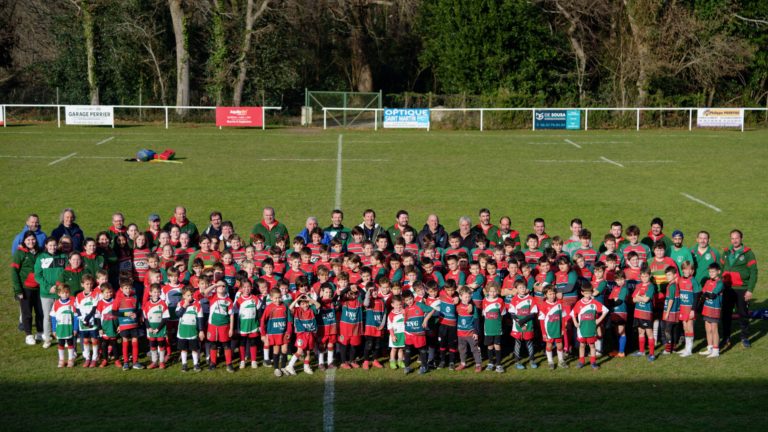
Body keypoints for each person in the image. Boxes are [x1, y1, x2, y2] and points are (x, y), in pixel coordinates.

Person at [720, 229, 758, 349]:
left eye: (736, 238)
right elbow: (721, 268)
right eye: (732, 238)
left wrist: (750, 289)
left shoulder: (748, 253)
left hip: (742, 289)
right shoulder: (726, 252)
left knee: (743, 314)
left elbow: (754, 272)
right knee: (725, 314)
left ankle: (744, 337)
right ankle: (726, 338)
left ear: (741, 239)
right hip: (727, 288)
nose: (734, 240)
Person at [35, 237, 67, 347]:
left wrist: (58, 286)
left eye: (54, 245)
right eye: (50, 245)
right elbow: (38, 276)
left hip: (60, 292)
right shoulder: (41, 258)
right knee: (47, 316)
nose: (53, 247)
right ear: (46, 246)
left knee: (61, 315)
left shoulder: (63, 256)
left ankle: (62, 336)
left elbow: (66, 272)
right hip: (46, 293)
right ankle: (47, 339)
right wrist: (48, 287)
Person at [11, 231, 42, 345]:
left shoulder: (40, 252)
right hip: (25, 288)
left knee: (40, 311)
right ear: (24, 241)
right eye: (28, 240)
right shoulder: (19, 253)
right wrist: (18, 290)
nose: (31, 242)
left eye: (33, 239)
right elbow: (14, 272)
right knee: (27, 312)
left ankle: (40, 332)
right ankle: (28, 334)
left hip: (39, 288)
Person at [571, 283, 608, 369]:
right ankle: (581, 361)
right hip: (581, 329)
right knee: (582, 345)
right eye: (586, 293)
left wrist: (598, 320)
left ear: (592, 292)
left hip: (591, 328)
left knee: (592, 345)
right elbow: (573, 313)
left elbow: (605, 310)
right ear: (582, 293)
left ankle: (593, 362)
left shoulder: (594, 302)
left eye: (589, 293)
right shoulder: (579, 303)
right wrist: (575, 322)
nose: (588, 295)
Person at [260, 288, 293, 377]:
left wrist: (289, 331)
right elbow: (262, 320)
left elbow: (289, 320)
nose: (278, 300)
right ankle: (276, 368)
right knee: (276, 350)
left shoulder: (285, 306)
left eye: (279, 297)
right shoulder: (269, 307)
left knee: (285, 350)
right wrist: (263, 334)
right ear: (271, 298)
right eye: (275, 298)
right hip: (274, 333)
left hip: (284, 333)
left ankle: (283, 367)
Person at [402, 290, 435, 375]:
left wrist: (425, 320)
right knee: (407, 350)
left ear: (413, 297)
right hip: (409, 333)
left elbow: (432, 310)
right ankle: (407, 366)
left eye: (410, 299)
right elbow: (405, 321)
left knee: (422, 350)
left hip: (419, 333)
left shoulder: (419, 305)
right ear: (404, 301)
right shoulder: (405, 309)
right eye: (407, 300)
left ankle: (424, 366)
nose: (409, 301)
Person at [286, 293, 320, 375]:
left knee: (308, 352)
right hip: (301, 334)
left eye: (306, 303)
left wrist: (310, 299)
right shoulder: (297, 310)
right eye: (303, 303)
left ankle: (306, 367)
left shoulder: (311, 309)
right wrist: (297, 299)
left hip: (310, 334)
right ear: (299, 304)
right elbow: (290, 307)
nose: (305, 305)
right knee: (300, 350)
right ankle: (290, 366)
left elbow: (318, 305)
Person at [509, 280, 539, 370]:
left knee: (529, 343)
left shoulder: (531, 298)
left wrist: (523, 322)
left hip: (528, 325)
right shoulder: (514, 299)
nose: (522, 289)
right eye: (520, 288)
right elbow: (512, 314)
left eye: (524, 287)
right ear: (516, 289)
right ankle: (517, 361)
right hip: (517, 326)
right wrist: (520, 323)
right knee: (517, 343)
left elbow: (533, 313)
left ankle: (532, 360)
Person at [115, 280, 143, 370]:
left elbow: (139, 309)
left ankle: (135, 362)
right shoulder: (118, 298)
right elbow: (114, 312)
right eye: (126, 288)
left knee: (135, 342)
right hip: (124, 325)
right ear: (121, 289)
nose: (128, 290)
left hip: (134, 324)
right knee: (125, 343)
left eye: (129, 288)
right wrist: (125, 314)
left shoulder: (135, 296)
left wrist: (136, 314)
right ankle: (126, 362)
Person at [207, 280, 235, 372]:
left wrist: (231, 328)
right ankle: (213, 362)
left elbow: (231, 315)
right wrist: (215, 285)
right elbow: (205, 292)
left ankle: (229, 363)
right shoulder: (212, 296)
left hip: (225, 326)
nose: (221, 287)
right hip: (213, 325)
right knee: (213, 344)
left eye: (223, 286)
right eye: (219, 286)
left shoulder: (229, 300)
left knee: (226, 345)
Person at [538, 286, 568, 369]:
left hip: (558, 329)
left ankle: (561, 361)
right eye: (550, 294)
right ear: (545, 295)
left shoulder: (559, 304)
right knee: (549, 345)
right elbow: (541, 320)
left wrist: (563, 329)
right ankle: (550, 361)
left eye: (554, 293)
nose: (552, 296)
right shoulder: (543, 305)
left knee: (559, 345)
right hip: (549, 330)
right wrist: (544, 333)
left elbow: (563, 317)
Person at [176, 286, 205, 372]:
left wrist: (201, 331)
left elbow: (200, 318)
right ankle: (184, 364)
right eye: (188, 295)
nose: (190, 297)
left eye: (191, 295)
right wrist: (184, 306)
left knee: (194, 349)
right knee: (184, 349)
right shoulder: (180, 303)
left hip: (193, 331)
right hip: (182, 331)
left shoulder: (198, 304)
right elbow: (178, 314)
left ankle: (196, 364)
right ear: (184, 296)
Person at [75, 275, 101, 367]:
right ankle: (87, 358)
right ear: (82, 284)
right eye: (87, 284)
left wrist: (88, 318)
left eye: (91, 284)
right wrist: (82, 318)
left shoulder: (95, 294)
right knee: (85, 340)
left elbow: (94, 308)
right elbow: (77, 308)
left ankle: (94, 358)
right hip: (83, 322)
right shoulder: (78, 296)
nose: (89, 286)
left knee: (94, 339)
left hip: (92, 321)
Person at [630, 269, 656, 361]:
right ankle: (641, 351)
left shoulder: (651, 286)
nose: (644, 278)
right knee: (640, 332)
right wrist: (641, 297)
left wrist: (639, 297)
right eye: (642, 276)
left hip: (646, 313)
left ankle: (652, 353)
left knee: (649, 333)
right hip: (638, 312)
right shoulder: (638, 285)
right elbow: (633, 300)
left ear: (649, 276)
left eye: (646, 276)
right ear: (640, 277)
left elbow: (646, 300)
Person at [700, 263, 725, 358]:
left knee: (714, 329)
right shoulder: (707, 281)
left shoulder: (720, 283)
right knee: (708, 329)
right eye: (710, 271)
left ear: (718, 272)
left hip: (715, 309)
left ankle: (716, 350)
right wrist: (705, 295)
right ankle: (709, 348)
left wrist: (706, 295)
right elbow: (703, 294)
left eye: (713, 271)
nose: (711, 273)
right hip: (707, 308)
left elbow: (712, 295)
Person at [677, 261, 701, 357]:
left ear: (692, 271)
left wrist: (693, 310)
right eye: (685, 269)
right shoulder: (680, 279)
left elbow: (696, 297)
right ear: (682, 270)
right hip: (682, 308)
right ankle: (686, 348)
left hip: (690, 308)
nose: (687, 271)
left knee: (689, 327)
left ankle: (689, 349)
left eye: (689, 269)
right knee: (684, 327)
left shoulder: (693, 281)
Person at [143, 284, 170, 369]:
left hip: (160, 329)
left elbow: (165, 318)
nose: (156, 294)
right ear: (150, 293)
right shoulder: (147, 304)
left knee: (161, 345)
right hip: (151, 329)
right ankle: (154, 362)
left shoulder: (163, 304)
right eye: (154, 292)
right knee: (152, 345)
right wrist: (149, 328)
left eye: (158, 292)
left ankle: (161, 362)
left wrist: (158, 328)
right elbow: (145, 318)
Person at [95, 283, 120, 368]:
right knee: (104, 344)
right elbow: (97, 317)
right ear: (102, 293)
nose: (109, 294)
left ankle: (117, 360)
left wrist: (119, 325)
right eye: (106, 292)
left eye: (110, 292)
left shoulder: (115, 301)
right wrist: (100, 328)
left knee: (114, 343)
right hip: (105, 327)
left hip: (113, 326)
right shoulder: (100, 303)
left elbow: (119, 314)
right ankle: (105, 359)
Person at [482, 283, 505, 372]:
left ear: (497, 291)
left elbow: (502, 314)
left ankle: (499, 364)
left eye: (494, 291)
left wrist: (498, 323)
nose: (492, 293)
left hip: (497, 327)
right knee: (490, 346)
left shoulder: (500, 301)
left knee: (497, 345)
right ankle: (491, 362)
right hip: (488, 328)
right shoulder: (484, 300)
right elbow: (484, 314)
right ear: (488, 291)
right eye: (491, 291)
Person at [51, 284, 76, 368]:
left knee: (70, 343)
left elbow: (76, 317)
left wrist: (75, 328)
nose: (65, 294)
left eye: (67, 292)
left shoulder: (73, 302)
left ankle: (70, 359)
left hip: (69, 327)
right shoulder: (56, 304)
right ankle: (61, 360)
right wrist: (54, 329)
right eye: (63, 293)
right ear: (59, 294)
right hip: (60, 328)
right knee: (61, 343)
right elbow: (53, 317)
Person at [387, 295, 406, 370]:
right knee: (394, 349)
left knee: (401, 349)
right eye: (397, 305)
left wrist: (405, 313)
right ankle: (392, 362)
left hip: (403, 334)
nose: (398, 306)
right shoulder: (391, 315)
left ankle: (400, 361)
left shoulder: (404, 312)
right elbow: (389, 326)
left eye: (400, 304)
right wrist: (392, 335)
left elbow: (407, 320)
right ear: (392, 305)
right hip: (395, 335)